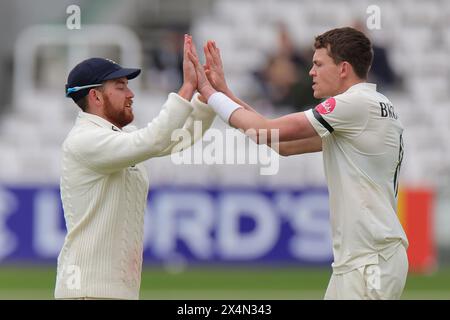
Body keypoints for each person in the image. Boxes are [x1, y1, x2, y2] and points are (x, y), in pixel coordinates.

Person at [188, 27, 408, 300]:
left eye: (318, 64)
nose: (311, 72)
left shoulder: (354, 105)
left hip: (370, 259)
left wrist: (209, 93)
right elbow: (281, 145)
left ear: (343, 69)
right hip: (362, 258)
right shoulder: (367, 107)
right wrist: (224, 91)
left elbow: (267, 131)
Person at [55, 35, 216, 300]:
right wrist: (187, 88)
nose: (131, 94)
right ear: (95, 95)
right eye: (120, 86)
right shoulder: (84, 140)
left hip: (110, 293)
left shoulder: (118, 137)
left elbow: (177, 139)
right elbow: (153, 140)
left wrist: (207, 96)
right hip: (87, 292)